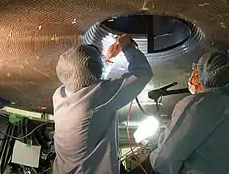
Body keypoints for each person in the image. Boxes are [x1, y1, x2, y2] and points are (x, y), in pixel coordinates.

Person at [52, 34, 153, 174]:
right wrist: (128, 47)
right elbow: (142, 73)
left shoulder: (60, 95)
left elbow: (88, 83)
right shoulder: (94, 99)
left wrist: (108, 61)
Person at [150, 51, 229, 174]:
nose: (192, 77)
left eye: (196, 73)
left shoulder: (202, 103)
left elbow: (164, 159)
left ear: (204, 77)